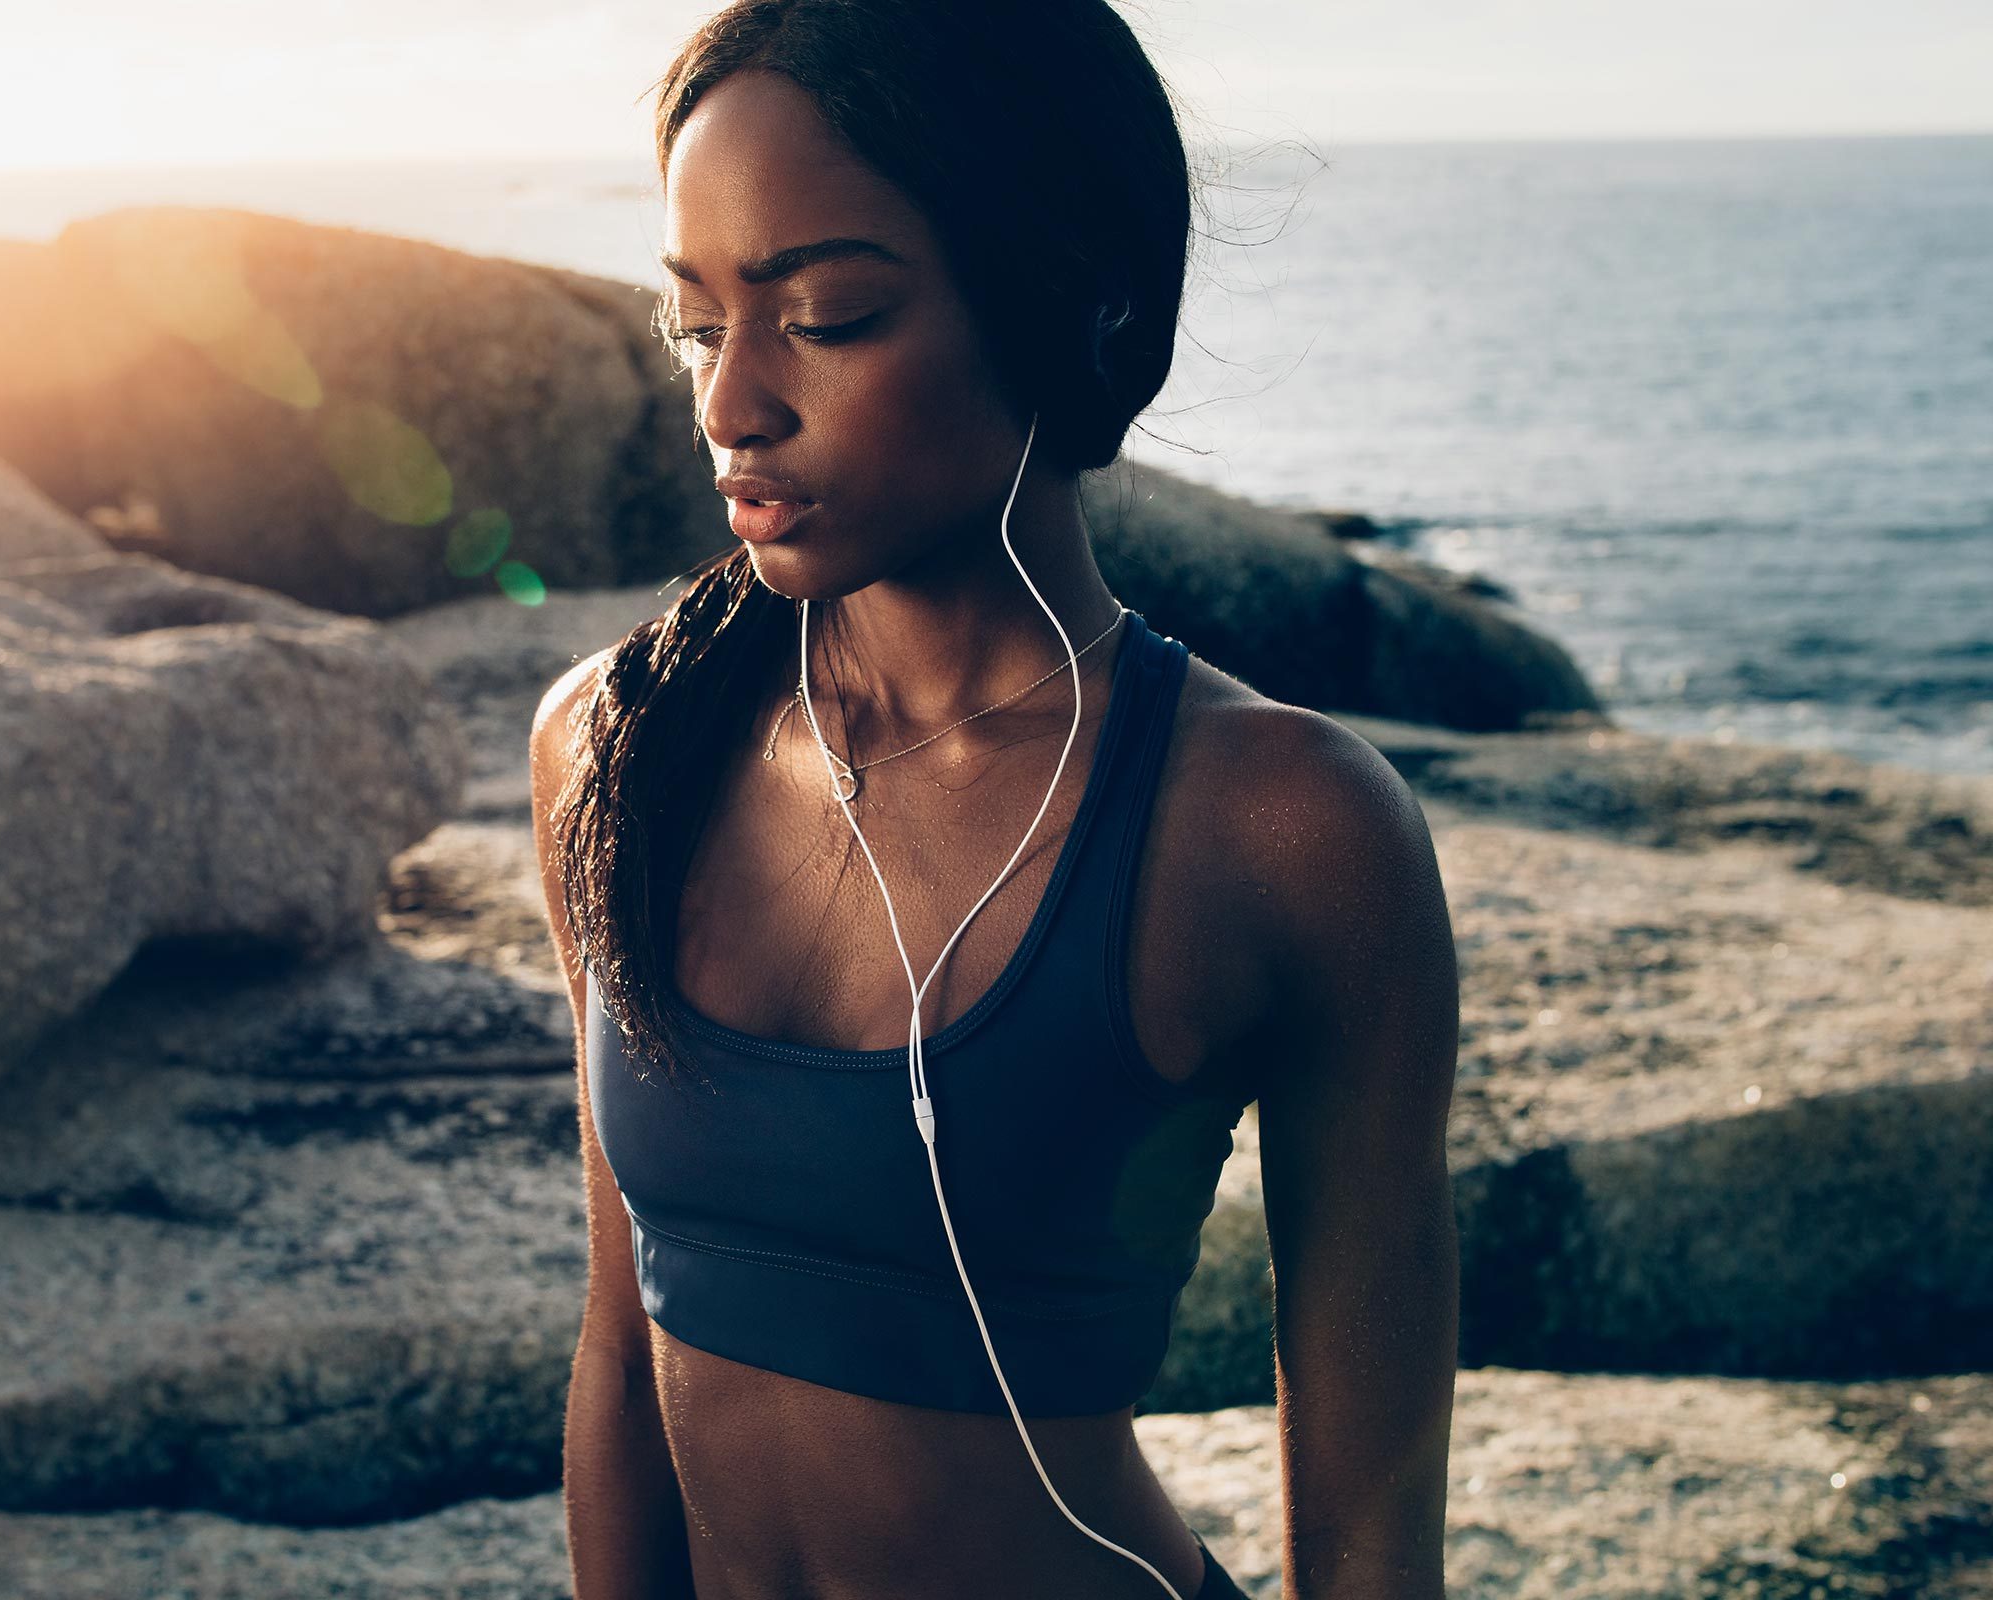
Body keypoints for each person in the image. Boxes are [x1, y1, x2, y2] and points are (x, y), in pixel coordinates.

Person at [527, 3, 1461, 1595]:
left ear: (1068, 309)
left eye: (823, 315)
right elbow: (622, 1355)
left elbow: (1369, 1532)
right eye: (696, 325)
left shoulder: (1283, 829)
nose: (728, 404)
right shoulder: (621, 746)